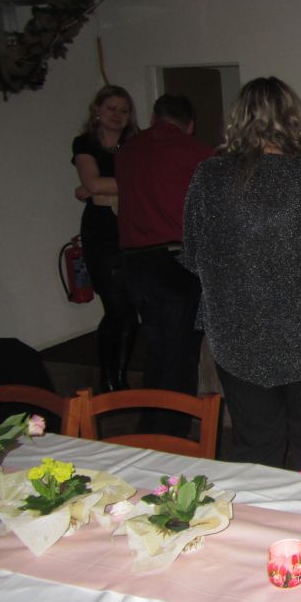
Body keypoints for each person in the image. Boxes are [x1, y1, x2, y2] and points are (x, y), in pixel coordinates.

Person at [181, 77, 301, 470]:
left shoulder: (208, 177)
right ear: (293, 119)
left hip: (238, 336)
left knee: (255, 449)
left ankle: (258, 511)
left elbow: (191, 255)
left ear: (237, 120)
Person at [115, 94, 213, 434]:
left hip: (134, 263)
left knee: (156, 350)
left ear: (155, 117)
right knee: (180, 355)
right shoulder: (197, 153)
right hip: (176, 263)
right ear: (190, 125)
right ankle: (171, 436)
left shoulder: (127, 151)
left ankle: (150, 427)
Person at [71, 85, 140, 393]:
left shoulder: (134, 143)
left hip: (131, 230)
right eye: (111, 108)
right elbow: (93, 183)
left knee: (129, 308)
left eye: (123, 110)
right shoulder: (85, 143)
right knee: (116, 307)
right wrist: (99, 186)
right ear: (97, 109)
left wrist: (100, 187)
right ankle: (109, 378)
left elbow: (100, 186)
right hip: (101, 235)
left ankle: (118, 377)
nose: (117, 115)